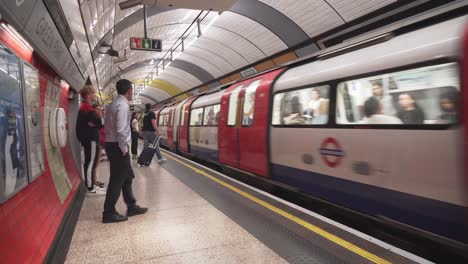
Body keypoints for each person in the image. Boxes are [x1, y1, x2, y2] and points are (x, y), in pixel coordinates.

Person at [103, 79, 148, 223]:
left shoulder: (113, 104)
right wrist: (124, 149)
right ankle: (108, 212)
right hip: (118, 146)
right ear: (129, 91)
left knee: (127, 176)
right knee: (117, 180)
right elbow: (121, 130)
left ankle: (131, 206)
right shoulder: (122, 106)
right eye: (132, 91)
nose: (132, 93)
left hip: (113, 144)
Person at [76, 86, 105, 196]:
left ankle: (92, 185)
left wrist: (95, 123)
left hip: (90, 139)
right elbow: (99, 121)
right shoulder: (86, 107)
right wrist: (96, 123)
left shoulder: (85, 107)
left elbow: (97, 122)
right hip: (90, 139)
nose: (95, 95)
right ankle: (90, 188)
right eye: (93, 93)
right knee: (90, 163)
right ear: (88, 95)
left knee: (91, 163)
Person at [92, 104, 105, 189]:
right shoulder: (93, 118)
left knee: (96, 163)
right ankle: (93, 182)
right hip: (95, 142)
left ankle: (94, 180)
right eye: (97, 109)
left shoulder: (98, 118)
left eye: (100, 109)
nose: (99, 111)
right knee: (94, 163)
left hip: (99, 142)